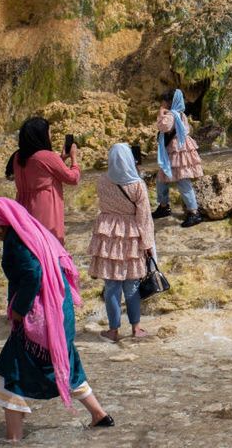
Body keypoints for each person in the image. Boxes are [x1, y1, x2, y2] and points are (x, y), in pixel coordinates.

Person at [0, 197, 112, 441]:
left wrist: (18, 309)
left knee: (14, 374)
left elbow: (32, 275)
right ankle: (99, 415)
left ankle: (13, 439)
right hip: (59, 311)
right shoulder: (33, 231)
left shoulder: (17, 242)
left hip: (40, 318)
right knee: (64, 361)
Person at [88, 144, 154, 342]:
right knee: (132, 285)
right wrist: (148, 243)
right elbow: (144, 217)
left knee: (111, 286)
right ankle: (136, 328)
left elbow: (103, 205)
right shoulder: (137, 185)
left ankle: (113, 330)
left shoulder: (102, 181)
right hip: (131, 236)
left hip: (108, 235)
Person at [11, 117, 80, 245]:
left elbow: (41, 172)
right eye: (49, 131)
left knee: (31, 247)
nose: (50, 135)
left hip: (22, 209)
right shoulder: (47, 156)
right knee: (49, 247)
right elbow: (73, 178)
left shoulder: (17, 156)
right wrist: (74, 159)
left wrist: (60, 159)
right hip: (45, 210)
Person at [152, 89, 204, 228]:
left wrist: (161, 112)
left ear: (169, 102)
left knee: (182, 180)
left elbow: (164, 127)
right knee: (162, 179)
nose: (162, 102)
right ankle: (164, 206)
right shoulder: (180, 114)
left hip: (176, 150)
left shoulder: (171, 115)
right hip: (177, 149)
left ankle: (194, 212)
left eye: (164, 100)